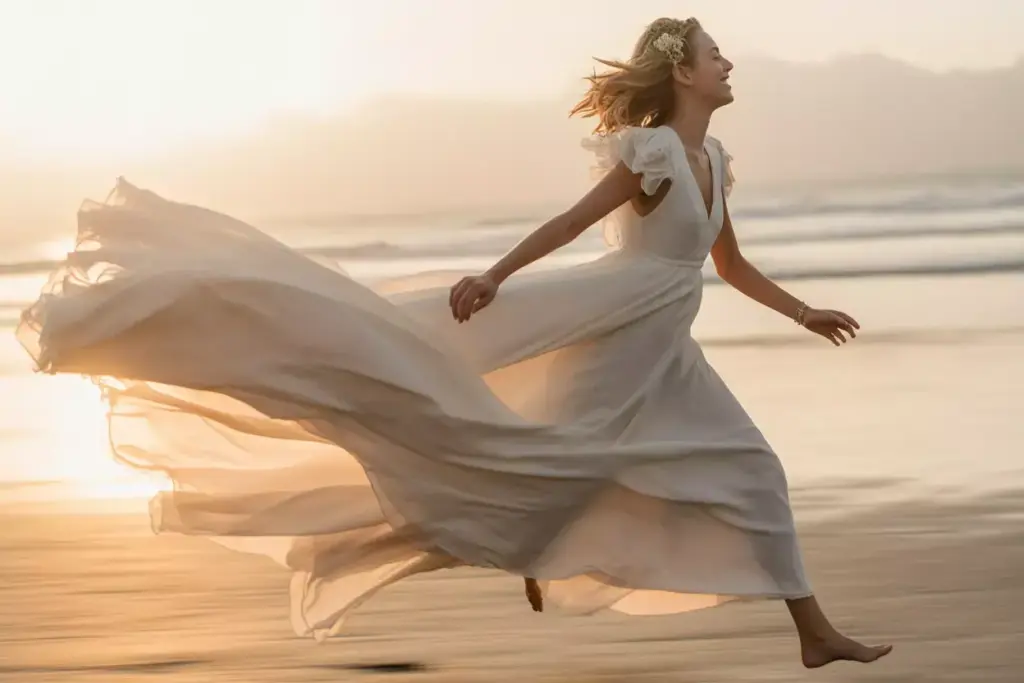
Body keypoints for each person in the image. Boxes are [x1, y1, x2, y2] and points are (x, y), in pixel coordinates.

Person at [18, 16, 890, 669]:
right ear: (682, 73)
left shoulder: (715, 160)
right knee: (537, 462)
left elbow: (728, 263)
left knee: (749, 469)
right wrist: (496, 276)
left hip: (667, 347)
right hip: (611, 327)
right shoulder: (656, 150)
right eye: (714, 54)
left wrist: (802, 311)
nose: (729, 62)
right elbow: (571, 221)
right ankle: (488, 544)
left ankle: (812, 635)